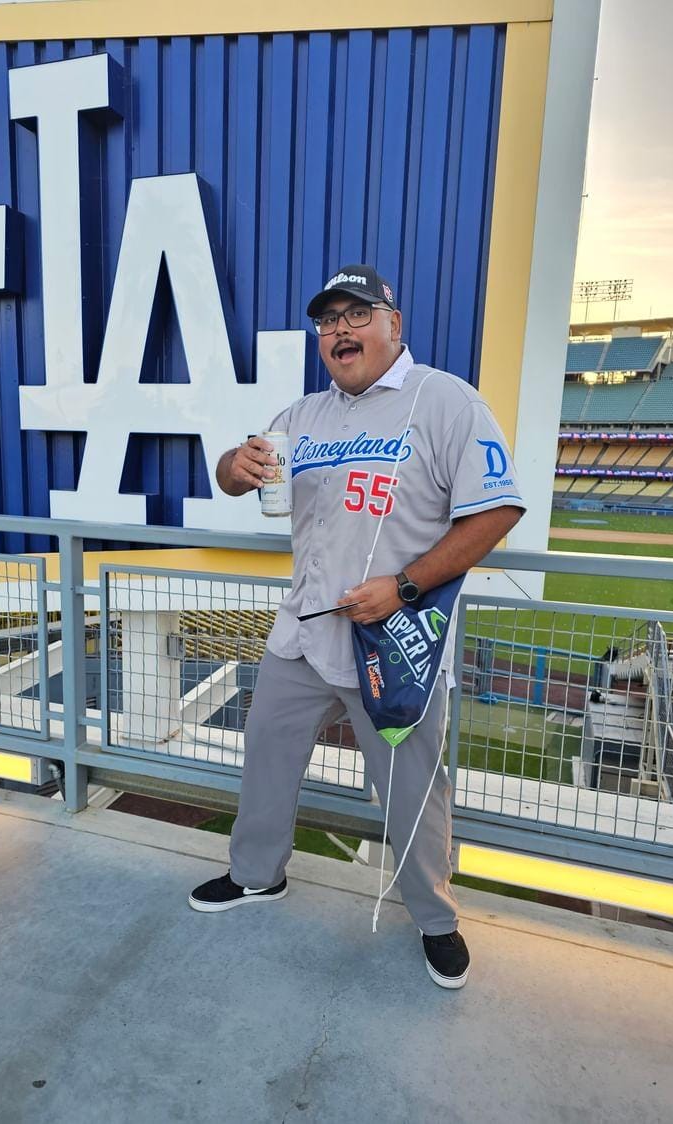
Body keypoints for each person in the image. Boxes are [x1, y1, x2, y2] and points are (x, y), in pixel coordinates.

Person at [189, 264, 525, 989]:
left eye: (356, 314)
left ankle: (435, 920)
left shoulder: (445, 401)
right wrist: (233, 464)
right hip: (302, 634)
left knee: (410, 789)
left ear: (391, 326)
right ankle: (255, 876)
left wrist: (404, 587)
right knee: (266, 762)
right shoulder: (301, 415)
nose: (339, 330)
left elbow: (496, 510)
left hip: (391, 644)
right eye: (327, 321)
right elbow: (230, 475)